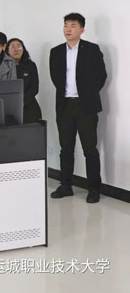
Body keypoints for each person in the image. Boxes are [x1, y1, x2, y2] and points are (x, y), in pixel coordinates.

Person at [49, 13, 107, 204]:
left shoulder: (91, 49)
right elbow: (56, 77)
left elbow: (101, 76)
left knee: (90, 149)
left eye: (73, 25)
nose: (68, 29)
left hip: (86, 106)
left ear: (82, 29)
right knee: (66, 149)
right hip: (65, 105)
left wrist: (87, 94)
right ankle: (66, 186)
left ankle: (94, 189)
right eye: (66, 25)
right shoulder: (56, 51)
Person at [7, 38, 42, 123]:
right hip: (9, 107)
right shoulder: (4, 67)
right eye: (13, 47)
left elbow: (34, 87)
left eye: (19, 46)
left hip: (29, 105)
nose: (16, 49)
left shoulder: (30, 65)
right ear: (7, 50)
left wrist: (23, 101)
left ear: (23, 49)